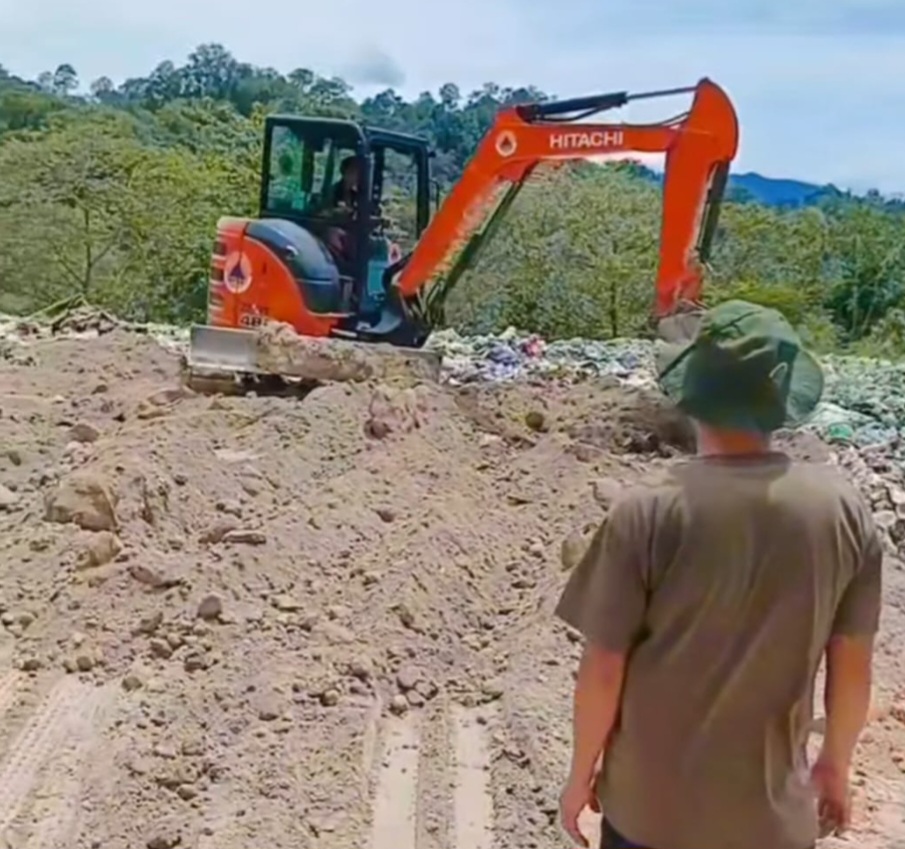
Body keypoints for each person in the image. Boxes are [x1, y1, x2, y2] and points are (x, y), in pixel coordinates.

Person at [554, 300, 883, 849]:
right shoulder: (843, 511)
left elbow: (603, 670)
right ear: (782, 397)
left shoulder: (647, 510)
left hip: (649, 816)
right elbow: (853, 668)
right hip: (771, 825)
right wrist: (835, 764)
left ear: (694, 390)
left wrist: (579, 775)